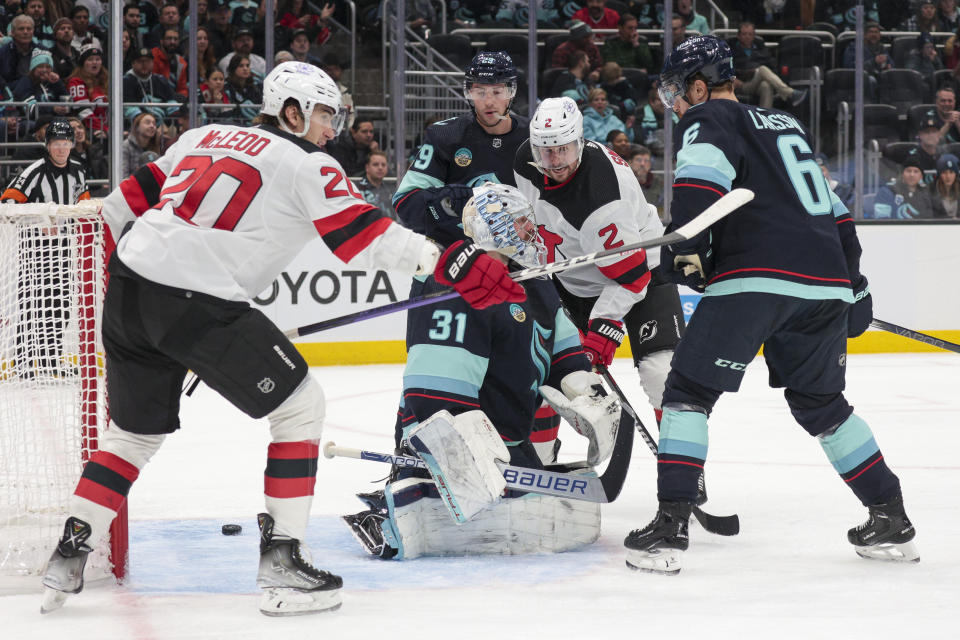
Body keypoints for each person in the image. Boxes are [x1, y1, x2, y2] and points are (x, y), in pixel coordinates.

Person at [37, 61, 524, 617]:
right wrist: (450, 261)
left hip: (126, 292)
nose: (329, 128)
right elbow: (363, 235)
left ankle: (67, 555)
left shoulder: (199, 136)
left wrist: (156, 306)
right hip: (199, 302)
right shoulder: (306, 164)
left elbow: (121, 206)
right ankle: (284, 562)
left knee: (132, 435)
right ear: (290, 110)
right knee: (301, 407)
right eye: (321, 114)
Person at [624, 35, 918, 574]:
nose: (677, 106)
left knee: (687, 392)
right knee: (823, 406)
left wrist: (685, 253)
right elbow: (839, 217)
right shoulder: (789, 127)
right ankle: (890, 516)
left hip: (755, 279)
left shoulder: (708, 118)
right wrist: (854, 287)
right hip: (825, 282)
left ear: (697, 85)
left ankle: (670, 527)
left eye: (678, 93)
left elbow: (697, 194)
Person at [342, 182, 617, 560]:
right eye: (522, 223)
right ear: (498, 227)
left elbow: (564, 357)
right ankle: (406, 494)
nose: (531, 232)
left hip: (508, 444)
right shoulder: (453, 287)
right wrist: (466, 453)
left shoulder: (537, 285)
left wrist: (584, 391)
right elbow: (433, 398)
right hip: (445, 447)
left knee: (554, 519)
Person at [392, 52, 570, 462]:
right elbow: (407, 204)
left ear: (511, 93)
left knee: (527, 371)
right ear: (468, 92)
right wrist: (466, 202)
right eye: (479, 91)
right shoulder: (446, 137)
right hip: (449, 274)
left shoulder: (534, 138)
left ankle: (535, 459)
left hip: (519, 274)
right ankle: (410, 462)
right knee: (433, 370)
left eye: (497, 91)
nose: (488, 101)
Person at [514, 96, 686, 439]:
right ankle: (540, 469)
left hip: (643, 274)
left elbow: (633, 278)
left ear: (580, 141)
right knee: (540, 372)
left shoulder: (602, 198)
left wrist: (603, 326)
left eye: (563, 149)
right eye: (546, 151)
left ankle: (680, 466)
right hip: (572, 279)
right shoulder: (524, 162)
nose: (555, 160)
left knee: (661, 374)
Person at [1, 119, 89, 378]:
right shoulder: (35, 171)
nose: (61, 149)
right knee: (32, 302)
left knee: (59, 304)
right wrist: (38, 219)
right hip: (34, 248)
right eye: (56, 144)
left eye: (65, 143)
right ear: (47, 145)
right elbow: (8, 201)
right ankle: (25, 361)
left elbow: (82, 205)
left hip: (62, 247)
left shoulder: (78, 171)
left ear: (72, 144)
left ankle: (52, 359)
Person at [731, 21, 807, 109]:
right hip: (742, 84)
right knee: (762, 69)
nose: (747, 37)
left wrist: (759, 72)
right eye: (744, 34)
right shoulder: (732, 50)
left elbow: (772, 66)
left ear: (753, 36)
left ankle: (764, 117)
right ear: (738, 36)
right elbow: (727, 68)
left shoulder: (761, 49)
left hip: (758, 82)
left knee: (766, 85)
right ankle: (790, 93)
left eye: (750, 34)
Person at [122, 46, 179, 122]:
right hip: (135, 127)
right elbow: (130, 110)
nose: (144, 64)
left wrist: (173, 124)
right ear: (133, 64)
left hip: (162, 125)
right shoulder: (126, 81)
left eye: (148, 61)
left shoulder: (161, 80)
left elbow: (172, 105)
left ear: (152, 62)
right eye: (140, 61)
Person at [67, 44, 109, 140]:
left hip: (107, 128)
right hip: (88, 130)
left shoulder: (106, 81)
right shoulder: (76, 82)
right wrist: (106, 129)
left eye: (98, 59)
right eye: (90, 59)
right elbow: (84, 113)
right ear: (83, 63)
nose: (95, 62)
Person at [872, 157, 938, 219]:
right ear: (902, 174)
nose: (912, 175)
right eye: (908, 171)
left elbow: (933, 217)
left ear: (921, 176)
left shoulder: (926, 193)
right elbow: (882, 220)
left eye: (916, 171)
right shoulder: (887, 191)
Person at [352, 150, 396, 219]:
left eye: (383, 165)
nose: (380, 168)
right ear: (367, 168)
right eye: (375, 164)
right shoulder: (355, 189)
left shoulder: (391, 190)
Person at [121, 111, 164, 178]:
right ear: (137, 127)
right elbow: (123, 175)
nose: (152, 126)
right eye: (147, 123)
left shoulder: (158, 145)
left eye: (154, 124)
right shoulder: (125, 146)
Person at [223, 54, 263, 124]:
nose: (245, 68)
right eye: (241, 66)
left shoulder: (255, 87)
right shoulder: (227, 87)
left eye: (247, 66)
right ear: (233, 68)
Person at [627, 144, 664, 219]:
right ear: (630, 162)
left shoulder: (659, 182)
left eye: (646, 161)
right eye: (638, 160)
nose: (642, 164)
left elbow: (662, 208)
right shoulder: (624, 180)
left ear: (650, 164)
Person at [151, 27, 188, 98]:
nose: (172, 42)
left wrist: (181, 98)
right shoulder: (152, 57)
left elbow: (182, 89)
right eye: (169, 38)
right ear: (161, 41)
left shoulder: (181, 62)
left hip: (173, 100)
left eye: (175, 39)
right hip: (154, 98)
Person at [907, 114, 944, 185]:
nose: (930, 135)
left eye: (934, 132)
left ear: (939, 135)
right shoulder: (912, 157)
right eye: (927, 132)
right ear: (920, 135)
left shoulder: (944, 154)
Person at [932, 153, 960, 217]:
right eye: (944, 172)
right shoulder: (931, 191)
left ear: (956, 174)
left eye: (951, 172)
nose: (948, 176)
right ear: (939, 174)